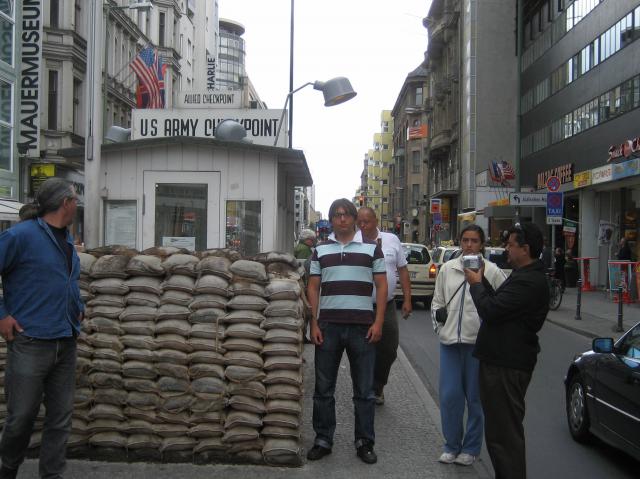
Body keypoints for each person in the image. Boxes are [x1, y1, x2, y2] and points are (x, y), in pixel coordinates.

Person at [0, 178, 84, 479]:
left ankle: (52, 475)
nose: (78, 203)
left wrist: (79, 310)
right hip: (31, 341)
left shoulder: (67, 240)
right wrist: (2, 315)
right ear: (65, 203)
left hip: (65, 339)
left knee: (60, 420)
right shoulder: (20, 236)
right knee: (21, 417)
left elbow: (65, 282)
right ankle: (7, 468)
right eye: (75, 198)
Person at [464, 222, 549, 479]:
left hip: (506, 365)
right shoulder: (523, 276)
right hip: (500, 361)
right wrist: (482, 281)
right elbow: (499, 305)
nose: (506, 249)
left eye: (511, 245)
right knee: (499, 434)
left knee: (504, 436)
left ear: (525, 249)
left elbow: (490, 311)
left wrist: (477, 284)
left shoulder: (530, 281)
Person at [306, 198, 387, 465]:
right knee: (323, 389)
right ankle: (323, 439)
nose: (341, 219)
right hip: (328, 326)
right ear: (331, 220)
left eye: (346, 214)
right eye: (336, 215)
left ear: (354, 218)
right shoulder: (320, 251)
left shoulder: (371, 250)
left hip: (362, 327)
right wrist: (313, 323)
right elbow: (313, 288)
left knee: (364, 391)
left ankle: (365, 442)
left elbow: (382, 286)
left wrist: (378, 323)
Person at [431, 224, 506, 467]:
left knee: (476, 399)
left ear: (482, 244)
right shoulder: (448, 269)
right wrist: (440, 328)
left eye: (474, 240)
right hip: (450, 343)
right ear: (459, 242)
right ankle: (451, 445)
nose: (469, 245)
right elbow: (437, 301)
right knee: (450, 396)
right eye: (465, 240)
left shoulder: (492, 271)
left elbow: (501, 306)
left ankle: (471, 448)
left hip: (478, 345)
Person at [355, 207, 411, 406]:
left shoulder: (391, 240)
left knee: (389, 348)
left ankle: (378, 385)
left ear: (376, 221)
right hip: (359, 305)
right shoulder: (352, 241)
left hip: (386, 305)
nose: (362, 225)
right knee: (361, 349)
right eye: (359, 222)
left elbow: (402, 270)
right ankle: (365, 388)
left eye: (367, 221)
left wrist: (407, 299)